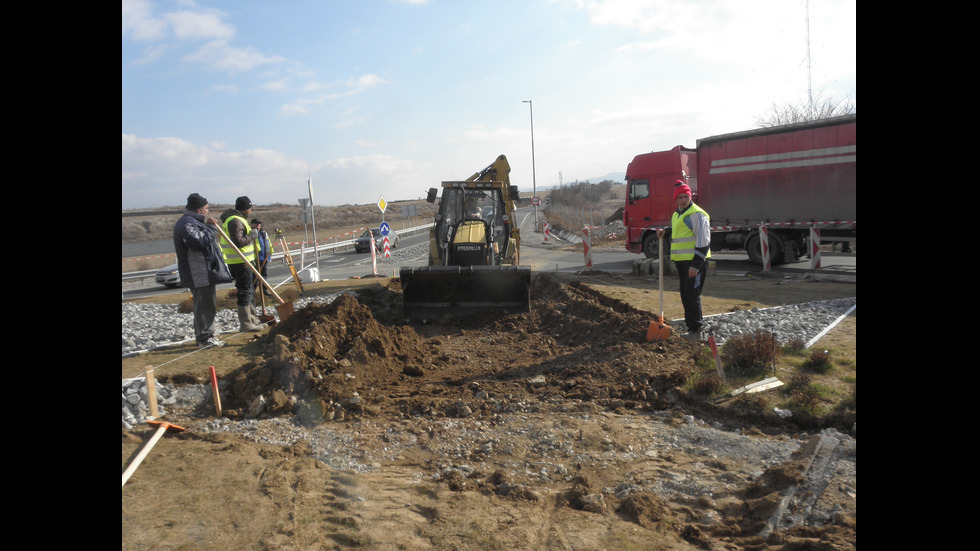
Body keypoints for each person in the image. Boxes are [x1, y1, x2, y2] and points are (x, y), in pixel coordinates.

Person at [173, 193, 233, 348]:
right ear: (199, 209)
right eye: (206, 208)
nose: (208, 211)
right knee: (205, 305)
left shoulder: (193, 222)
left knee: (206, 304)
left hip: (203, 271)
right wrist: (212, 229)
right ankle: (205, 338)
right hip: (198, 272)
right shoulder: (187, 223)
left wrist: (208, 227)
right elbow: (199, 242)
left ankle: (205, 336)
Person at [657, 180, 711, 339]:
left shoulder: (697, 214)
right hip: (682, 263)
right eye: (680, 197)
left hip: (694, 263)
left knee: (691, 296)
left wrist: (695, 266)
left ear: (690, 196)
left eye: (685, 196)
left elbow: (703, 241)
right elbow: (680, 231)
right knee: (685, 295)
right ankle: (691, 327)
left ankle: (696, 330)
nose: (683, 199)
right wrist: (666, 232)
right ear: (676, 199)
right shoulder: (678, 214)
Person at [219, 196, 263, 332]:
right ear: (245, 209)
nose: (251, 210)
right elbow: (238, 242)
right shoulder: (235, 221)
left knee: (248, 290)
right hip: (240, 262)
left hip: (241, 261)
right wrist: (252, 236)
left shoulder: (236, 219)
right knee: (245, 291)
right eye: (250, 207)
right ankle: (245, 323)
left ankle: (253, 320)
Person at [251, 219, 274, 297]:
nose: (258, 225)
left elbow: (268, 243)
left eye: (259, 224)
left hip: (264, 257)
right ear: (252, 224)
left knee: (264, 276)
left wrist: (270, 252)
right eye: (256, 224)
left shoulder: (264, 233)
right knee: (254, 277)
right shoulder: (251, 233)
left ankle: (264, 292)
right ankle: (252, 293)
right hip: (255, 258)